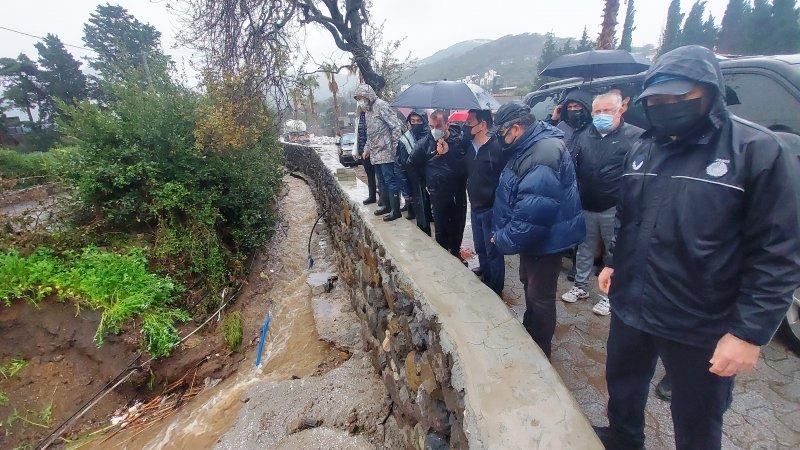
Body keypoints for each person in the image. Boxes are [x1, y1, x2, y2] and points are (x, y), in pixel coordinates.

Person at [594, 45, 800, 450]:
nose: (666, 107)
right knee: (623, 386)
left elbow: (778, 253)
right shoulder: (644, 146)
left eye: (677, 98)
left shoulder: (756, 150)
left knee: (698, 417)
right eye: (656, 100)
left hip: (700, 320)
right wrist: (615, 262)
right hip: (632, 304)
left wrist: (747, 333)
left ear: (709, 92)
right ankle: (623, 439)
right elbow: (629, 215)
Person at [490, 101, 585, 358]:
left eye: (501, 133)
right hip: (537, 239)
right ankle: (530, 333)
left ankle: (540, 353)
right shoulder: (529, 145)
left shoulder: (543, 152)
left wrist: (502, 238)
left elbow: (534, 213)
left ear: (516, 128)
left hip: (546, 239)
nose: (500, 138)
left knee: (540, 296)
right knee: (528, 284)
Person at [560, 91, 644, 317]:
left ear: (620, 110)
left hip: (614, 207)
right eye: (597, 111)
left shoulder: (636, 137)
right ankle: (581, 286)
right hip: (586, 204)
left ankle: (609, 296)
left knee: (613, 252)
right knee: (584, 248)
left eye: (607, 110)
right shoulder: (584, 134)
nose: (601, 115)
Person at [410, 110, 467, 257]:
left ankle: (456, 254)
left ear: (447, 124)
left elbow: (464, 169)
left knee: (457, 227)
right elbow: (411, 164)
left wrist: (448, 152)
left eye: (438, 126)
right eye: (431, 126)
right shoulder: (425, 144)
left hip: (457, 193)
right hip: (437, 193)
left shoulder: (458, 140)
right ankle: (443, 259)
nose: (434, 130)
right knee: (440, 229)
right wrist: (425, 183)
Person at [463, 109, 505, 294]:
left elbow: (505, 180)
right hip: (475, 205)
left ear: (483, 125)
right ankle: (485, 275)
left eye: (470, 122)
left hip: (491, 208)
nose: (467, 125)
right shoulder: (468, 146)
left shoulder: (497, 147)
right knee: (480, 246)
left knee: (493, 250)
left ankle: (495, 289)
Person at [353, 84, 403, 221]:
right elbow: (370, 133)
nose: (360, 101)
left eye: (361, 97)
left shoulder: (381, 105)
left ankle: (395, 210)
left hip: (387, 152)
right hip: (375, 153)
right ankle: (386, 206)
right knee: (381, 181)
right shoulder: (368, 111)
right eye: (358, 99)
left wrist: (394, 148)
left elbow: (395, 126)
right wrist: (366, 149)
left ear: (368, 95)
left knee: (390, 180)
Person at [395, 110, 428, 223]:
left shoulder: (431, 137)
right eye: (413, 121)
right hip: (414, 183)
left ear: (424, 122)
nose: (416, 124)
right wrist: (406, 191)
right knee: (421, 219)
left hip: (430, 182)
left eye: (419, 121)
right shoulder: (404, 140)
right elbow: (400, 167)